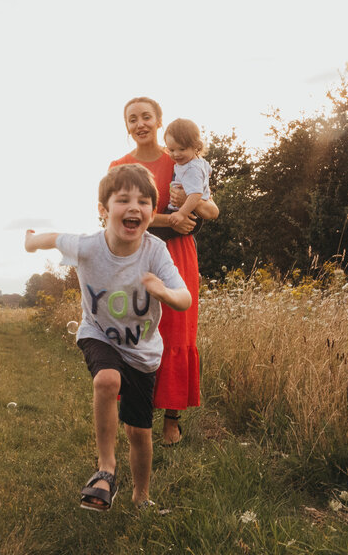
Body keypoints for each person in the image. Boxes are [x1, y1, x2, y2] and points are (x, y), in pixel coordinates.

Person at [24, 164, 192, 511]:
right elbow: (52, 238)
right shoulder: (88, 246)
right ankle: (106, 469)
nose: (135, 207)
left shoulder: (155, 250)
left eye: (144, 201)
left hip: (143, 352)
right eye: (123, 200)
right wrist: (29, 242)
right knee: (106, 379)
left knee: (139, 434)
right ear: (103, 210)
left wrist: (164, 292)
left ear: (151, 212)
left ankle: (141, 496)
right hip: (98, 333)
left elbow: (184, 297)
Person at [111, 97, 219, 446]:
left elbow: (212, 208)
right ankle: (137, 413)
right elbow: (113, 215)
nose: (140, 123)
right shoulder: (119, 166)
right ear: (126, 126)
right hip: (134, 255)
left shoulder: (179, 158)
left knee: (175, 331)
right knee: (136, 329)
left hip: (178, 255)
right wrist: (167, 219)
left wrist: (193, 210)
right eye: (132, 119)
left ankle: (172, 420)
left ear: (159, 121)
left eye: (146, 117)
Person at [164, 118, 212, 233]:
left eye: (182, 149)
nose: (176, 154)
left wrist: (181, 214)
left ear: (195, 146)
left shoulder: (191, 169)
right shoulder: (198, 161)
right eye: (171, 150)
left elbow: (196, 194)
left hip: (188, 213)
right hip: (190, 212)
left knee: (153, 231)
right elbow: (209, 171)